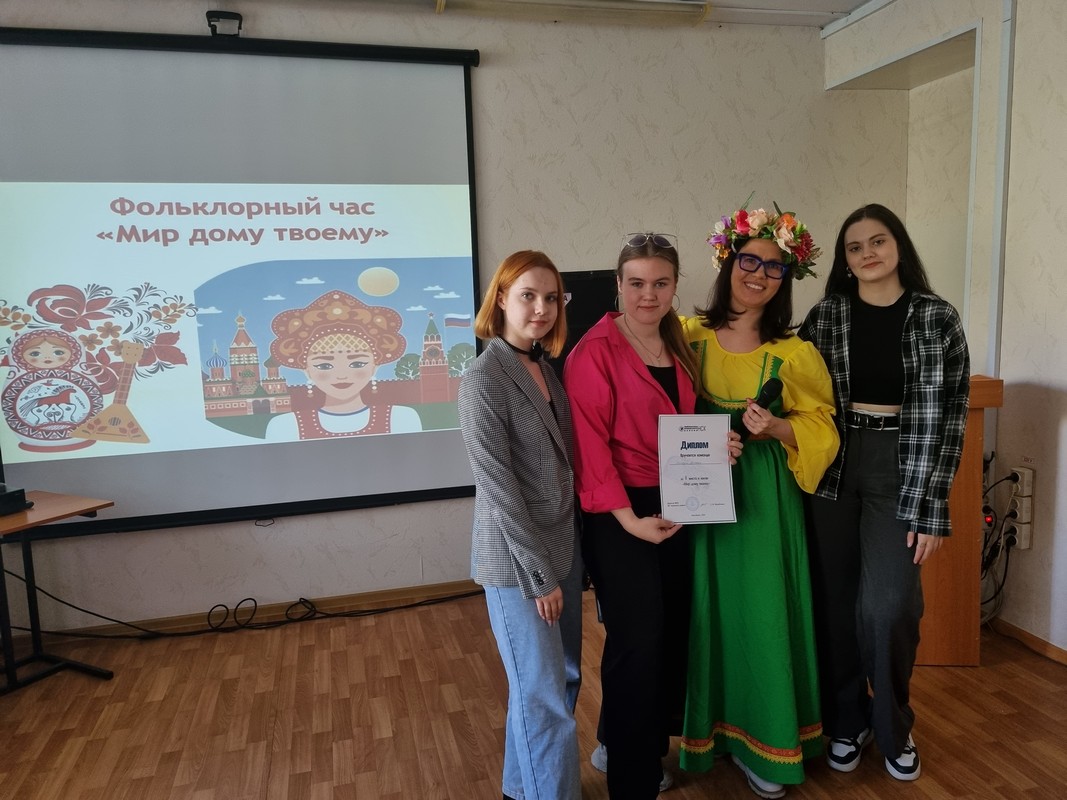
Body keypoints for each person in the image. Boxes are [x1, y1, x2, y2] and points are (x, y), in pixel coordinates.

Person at [797, 203, 969, 782]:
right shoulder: (827, 315)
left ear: (898, 246)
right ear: (844, 260)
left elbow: (952, 417)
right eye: (855, 247)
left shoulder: (936, 317)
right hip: (834, 466)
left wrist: (933, 507)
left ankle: (893, 724)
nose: (867, 253)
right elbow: (794, 385)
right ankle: (848, 721)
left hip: (903, 466)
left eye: (878, 241)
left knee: (889, 607)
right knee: (835, 603)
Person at [565, 233, 738, 800]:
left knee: (667, 636)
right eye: (636, 283)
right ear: (618, 285)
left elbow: (686, 424)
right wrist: (629, 519)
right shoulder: (593, 352)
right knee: (636, 642)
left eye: (660, 283)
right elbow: (590, 448)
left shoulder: (677, 340)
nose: (648, 294)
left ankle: (635, 746)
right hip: (621, 513)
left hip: (681, 502)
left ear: (675, 286)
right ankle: (632, 780)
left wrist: (718, 448)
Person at [679, 203, 839, 799]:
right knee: (705, 613)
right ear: (728, 263)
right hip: (697, 493)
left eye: (775, 267)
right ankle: (708, 734)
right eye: (750, 261)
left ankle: (769, 741)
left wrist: (777, 428)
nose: (760, 274)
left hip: (763, 500)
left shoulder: (794, 355)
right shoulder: (686, 336)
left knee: (763, 613)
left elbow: (823, 428)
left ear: (786, 278)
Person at [458, 250, 583, 800]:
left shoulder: (546, 369)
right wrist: (539, 576)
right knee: (543, 696)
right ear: (501, 299)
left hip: (563, 547)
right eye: (528, 295)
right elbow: (499, 489)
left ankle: (520, 788)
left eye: (551, 298)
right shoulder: (483, 377)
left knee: (560, 682)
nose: (541, 308)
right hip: (518, 563)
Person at [265, 290, 421, 440]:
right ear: (307, 371)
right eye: (324, 366)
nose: (341, 375)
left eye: (357, 364)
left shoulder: (400, 418)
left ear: (374, 367)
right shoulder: (287, 425)